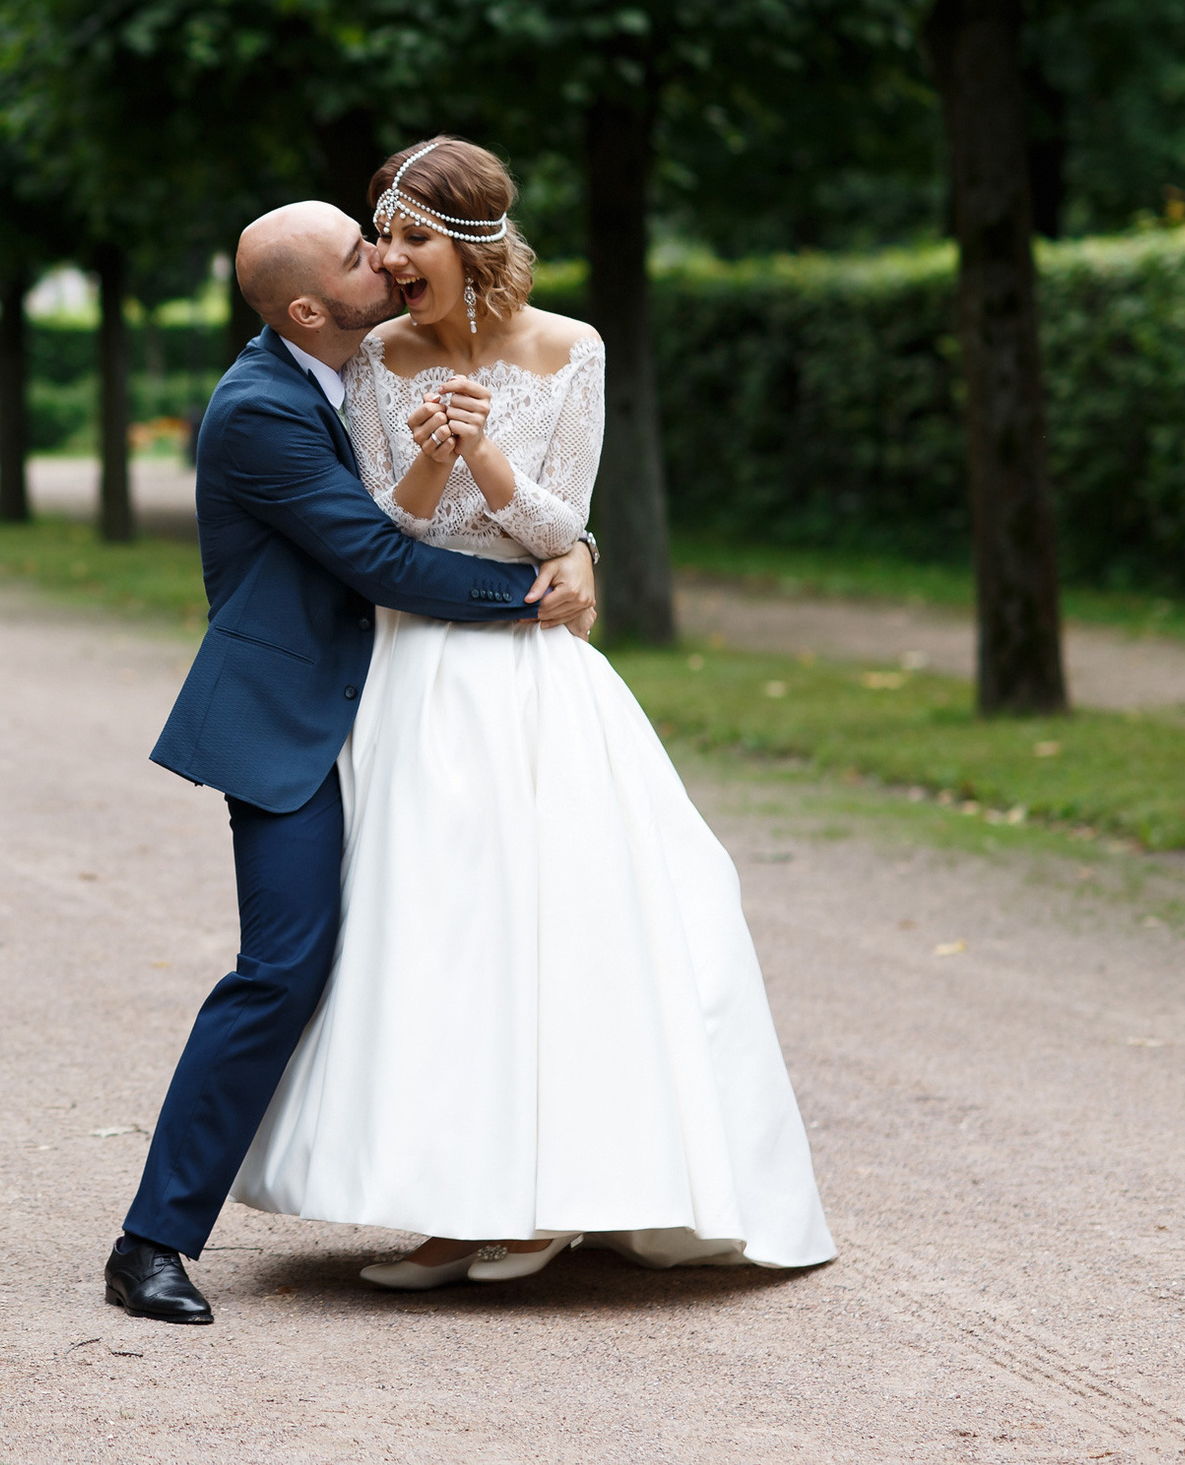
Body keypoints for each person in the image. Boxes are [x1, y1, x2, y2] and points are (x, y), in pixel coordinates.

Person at [231, 137, 834, 1288]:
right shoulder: (374, 361)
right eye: (383, 238)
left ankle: (549, 1202)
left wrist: (486, 455)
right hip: (416, 674)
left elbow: (562, 528)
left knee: (554, 929)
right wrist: (424, 461)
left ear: (468, 244)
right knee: (434, 937)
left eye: (412, 238)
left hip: (531, 675)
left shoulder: (572, 348)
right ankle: (452, 1207)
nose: (393, 261)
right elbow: (376, 535)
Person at [106, 196, 601, 1324]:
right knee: (284, 962)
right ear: (308, 306)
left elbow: (468, 501)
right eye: (356, 253)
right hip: (290, 718)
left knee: (444, 943)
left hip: (390, 708)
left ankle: (485, 1197)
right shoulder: (259, 410)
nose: (381, 258)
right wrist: (540, 591)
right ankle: (148, 1243)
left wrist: (575, 542)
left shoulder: (361, 365)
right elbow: (381, 555)